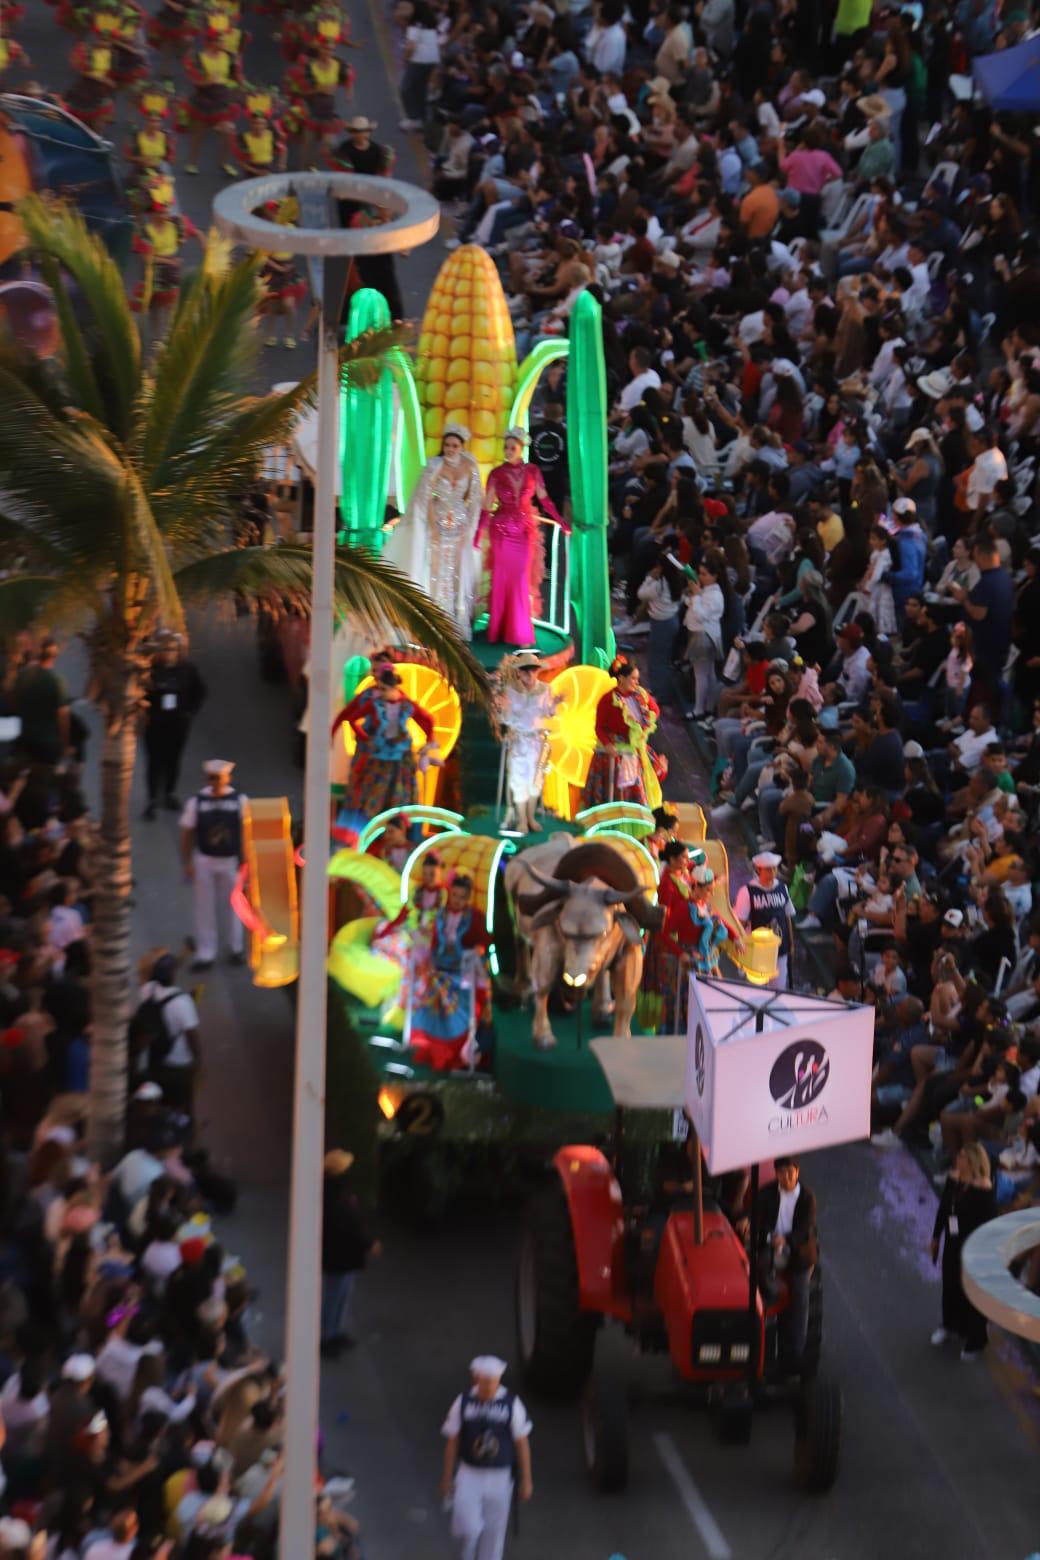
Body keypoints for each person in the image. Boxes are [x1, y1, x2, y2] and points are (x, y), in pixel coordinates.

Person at [384, 423, 483, 639]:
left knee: (458, 571)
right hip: (438, 524)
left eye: (455, 446)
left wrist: (469, 521)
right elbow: (425, 497)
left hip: (460, 526)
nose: (450, 449)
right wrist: (432, 525)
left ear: (461, 446)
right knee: (438, 570)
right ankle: (437, 618)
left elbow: (475, 496)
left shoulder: (469, 465)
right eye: (447, 445)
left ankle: (457, 619)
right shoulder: (434, 466)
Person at [475, 428, 569, 646]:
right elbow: (487, 507)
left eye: (513, 448)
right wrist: (479, 533)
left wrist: (561, 520)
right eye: (506, 447)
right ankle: (498, 628)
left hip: (524, 532)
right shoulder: (496, 474)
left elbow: (545, 500)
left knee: (520, 580)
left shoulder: (533, 471)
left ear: (522, 449)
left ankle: (518, 630)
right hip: (502, 532)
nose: (508, 451)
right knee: (501, 579)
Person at [441, 1356, 533, 1560]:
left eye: (493, 1382)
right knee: (469, 1528)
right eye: (485, 1382)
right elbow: (452, 1440)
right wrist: (447, 1477)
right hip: (469, 1473)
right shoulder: (463, 1401)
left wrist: (526, 1479)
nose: (489, 1388)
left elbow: (521, 1442)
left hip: (500, 1476)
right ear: (476, 1379)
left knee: (494, 1533)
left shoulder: (511, 1404)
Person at [334, 663, 440, 821]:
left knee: (400, 794)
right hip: (379, 755)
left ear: (393, 687)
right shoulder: (374, 703)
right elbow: (351, 718)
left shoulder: (405, 704)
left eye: (383, 689)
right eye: (379, 688)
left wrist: (429, 741)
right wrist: (364, 738)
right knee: (374, 794)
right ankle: (374, 826)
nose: (380, 692)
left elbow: (428, 719)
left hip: (401, 756)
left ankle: (397, 825)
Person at [409, 875, 489, 1070]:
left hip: (463, 972)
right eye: (454, 895)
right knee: (428, 994)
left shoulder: (475, 917)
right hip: (439, 969)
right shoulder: (439, 915)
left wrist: (477, 950)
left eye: (462, 897)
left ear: (468, 898)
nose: (457, 900)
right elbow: (434, 942)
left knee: (458, 1004)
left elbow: (485, 942)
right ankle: (432, 1045)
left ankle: (457, 1049)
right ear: (449, 894)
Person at [930, 1143, 997, 1360]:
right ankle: (949, 1324)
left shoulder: (983, 1189)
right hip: (953, 1240)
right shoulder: (954, 1179)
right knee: (950, 1283)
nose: (957, 1159)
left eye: (961, 1156)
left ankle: (976, 1338)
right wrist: (936, 1237)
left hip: (972, 1246)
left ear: (972, 1161)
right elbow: (944, 1209)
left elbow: (989, 1224)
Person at [179, 759, 246, 971]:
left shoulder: (239, 801)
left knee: (234, 905)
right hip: (204, 860)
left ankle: (236, 947)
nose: (215, 782)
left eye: (218, 778)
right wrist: (187, 861)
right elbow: (187, 832)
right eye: (211, 778)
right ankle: (206, 952)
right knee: (204, 906)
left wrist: (247, 861)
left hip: (229, 860)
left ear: (228, 778)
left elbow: (247, 831)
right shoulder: (197, 802)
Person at [756, 1155, 817, 1370]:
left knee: (801, 1296)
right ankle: (769, 1301)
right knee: (757, 1269)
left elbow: (806, 1229)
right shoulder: (767, 1193)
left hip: (798, 1253)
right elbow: (757, 1218)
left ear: (797, 1172)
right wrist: (768, 1237)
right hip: (771, 1247)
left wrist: (787, 1240)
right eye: (781, 1172)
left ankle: (796, 1352)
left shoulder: (807, 1197)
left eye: (790, 1172)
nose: (786, 1177)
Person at [141, 632, 208, 820]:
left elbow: (200, 691)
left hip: (178, 723)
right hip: (155, 723)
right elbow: (140, 693)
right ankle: (152, 799)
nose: (169, 653)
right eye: (165, 649)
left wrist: (190, 712)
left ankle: (169, 793)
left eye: (172, 649)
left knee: (173, 759)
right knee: (155, 762)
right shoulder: (150, 670)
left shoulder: (187, 670)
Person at [320, 1149, 379, 1358]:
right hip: (339, 1255)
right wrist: (367, 1243)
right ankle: (327, 1336)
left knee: (341, 1294)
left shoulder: (338, 1192)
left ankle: (334, 1331)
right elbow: (344, 1228)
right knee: (334, 1296)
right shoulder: (335, 1196)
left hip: (343, 1255)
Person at [495, 652, 561, 835]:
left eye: (533, 671)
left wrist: (555, 704)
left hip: (537, 742)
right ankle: (522, 820)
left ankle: (531, 817)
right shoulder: (509, 691)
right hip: (518, 741)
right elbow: (505, 718)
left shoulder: (546, 690)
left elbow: (549, 713)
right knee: (519, 780)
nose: (530, 675)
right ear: (519, 673)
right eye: (526, 671)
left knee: (535, 781)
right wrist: (503, 708)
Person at [582, 659, 660, 808]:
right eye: (633, 678)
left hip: (633, 749)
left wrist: (644, 728)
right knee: (612, 790)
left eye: (637, 679)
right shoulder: (608, 699)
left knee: (635, 787)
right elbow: (599, 727)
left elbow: (655, 710)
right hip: (613, 753)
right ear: (621, 678)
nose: (636, 682)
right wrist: (607, 745)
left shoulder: (640, 695)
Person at [733, 851, 794, 987]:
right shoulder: (747, 892)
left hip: (780, 949)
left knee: (778, 989)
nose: (772, 872)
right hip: (757, 951)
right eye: (768, 869)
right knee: (756, 991)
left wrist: (791, 943)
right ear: (758, 870)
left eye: (774, 868)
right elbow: (740, 923)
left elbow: (787, 916)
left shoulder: (782, 888)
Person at [14, 638, 71, 766]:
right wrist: (65, 745)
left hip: (24, 739)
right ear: (54, 657)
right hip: (47, 744)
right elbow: (63, 716)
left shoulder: (23, 675)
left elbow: (13, 700)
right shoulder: (57, 682)